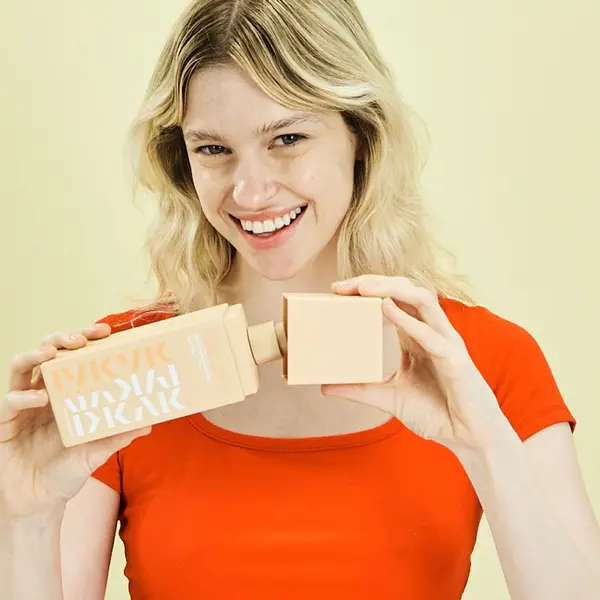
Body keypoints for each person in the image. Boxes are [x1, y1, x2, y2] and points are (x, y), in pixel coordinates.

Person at [2, 0, 599, 598]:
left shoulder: (482, 360)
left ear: (360, 136)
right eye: (213, 149)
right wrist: (23, 515)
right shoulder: (123, 372)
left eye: (287, 138)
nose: (249, 191)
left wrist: (486, 448)